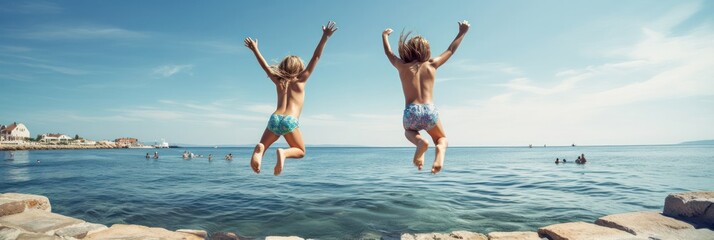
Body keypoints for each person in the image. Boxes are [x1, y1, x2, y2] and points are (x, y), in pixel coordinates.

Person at [245, 21, 338, 176]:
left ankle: (259, 152)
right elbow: (316, 57)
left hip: (275, 118)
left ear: (283, 67)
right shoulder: (301, 80)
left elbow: (265, 66)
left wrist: (255, 49)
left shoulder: (279, 80)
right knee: (300, 151)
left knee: (263, 146)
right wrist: (325, 37)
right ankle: (284, 153)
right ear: (299, 68)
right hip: (290, 120)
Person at [381, 20, 469, 174]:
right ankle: (440, 150)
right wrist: (462, 32)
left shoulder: (402, 66)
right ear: (427, 50)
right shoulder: (432, 64)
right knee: (442, 139)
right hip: (430, 111)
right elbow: (450, 50)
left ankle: (420, 142)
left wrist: (385, 36)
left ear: (408, 50)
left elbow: (389, 53)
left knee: (408, 131)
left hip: (411, 111)